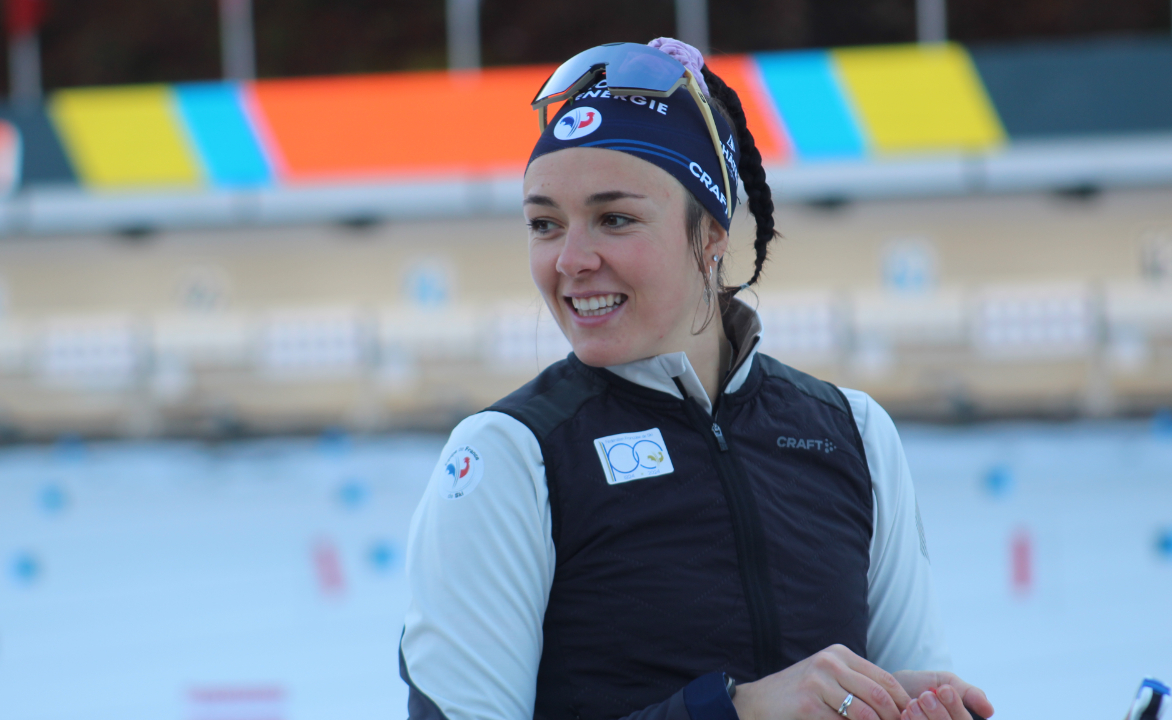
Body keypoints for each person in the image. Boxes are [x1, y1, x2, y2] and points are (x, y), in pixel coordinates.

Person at [399, 38, 997, 720]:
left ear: (711, 235)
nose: (570, 259)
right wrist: (733, 711)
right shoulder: (510, 457)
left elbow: (907, 682)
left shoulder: (851, 432)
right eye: (544, 223)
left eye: (614, 219)